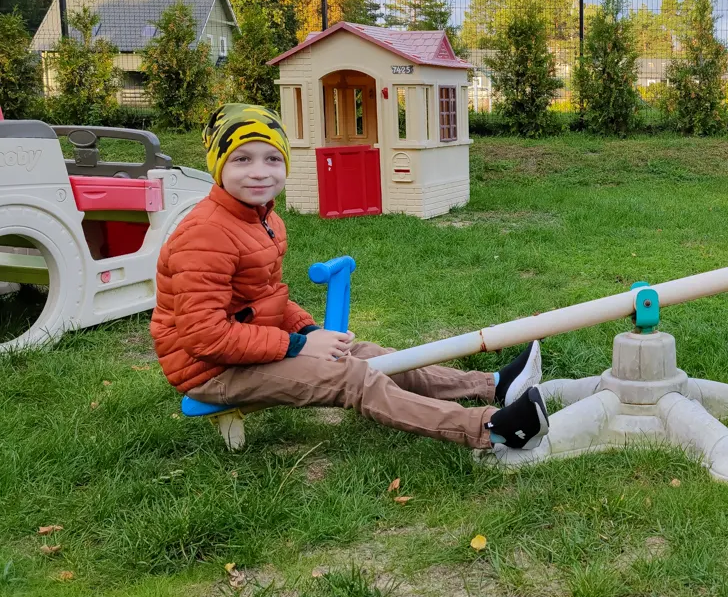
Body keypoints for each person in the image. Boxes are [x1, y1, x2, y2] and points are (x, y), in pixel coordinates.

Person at [151, 103, 549, 451]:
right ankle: (492, 429)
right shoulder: (205, 233)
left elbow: (266, 296)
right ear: (219, 167)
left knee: (373, 356)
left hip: (249, 349)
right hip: (212, 372)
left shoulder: (265, 218)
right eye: (242, 159)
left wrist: (308, 331)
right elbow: (204, 338)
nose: (260, 172)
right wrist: (297, 346)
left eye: (272, 159)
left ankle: (491, 385)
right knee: (352, 377)